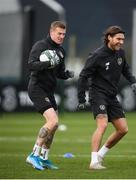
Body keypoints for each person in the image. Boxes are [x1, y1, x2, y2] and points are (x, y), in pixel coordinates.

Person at [77, 25, 136, 170]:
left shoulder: (120, 53)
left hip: (112, 96)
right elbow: (83, 76)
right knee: (103, 125)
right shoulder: (97, 55)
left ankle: (100, 155)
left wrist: (133, 81)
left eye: (123, 39)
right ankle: (93, 162)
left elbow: (126, 69)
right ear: (109, 38)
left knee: (123, 129)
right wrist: (81, 98)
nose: (121, 42)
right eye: (118, 39)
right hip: (97, 94)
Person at [26, 21, 74, 171]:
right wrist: (47, 63)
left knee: (55, 125)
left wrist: (66, 75)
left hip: (49, 90)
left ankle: (44, 158)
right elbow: (31, 65)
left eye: (64, 34)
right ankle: (33, 155)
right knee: (52, 121)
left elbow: (59, 72)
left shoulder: (61, 52)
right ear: (52, 32)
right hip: (37, 88)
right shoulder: (40, 46)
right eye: (59, 33)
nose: (61, 37)